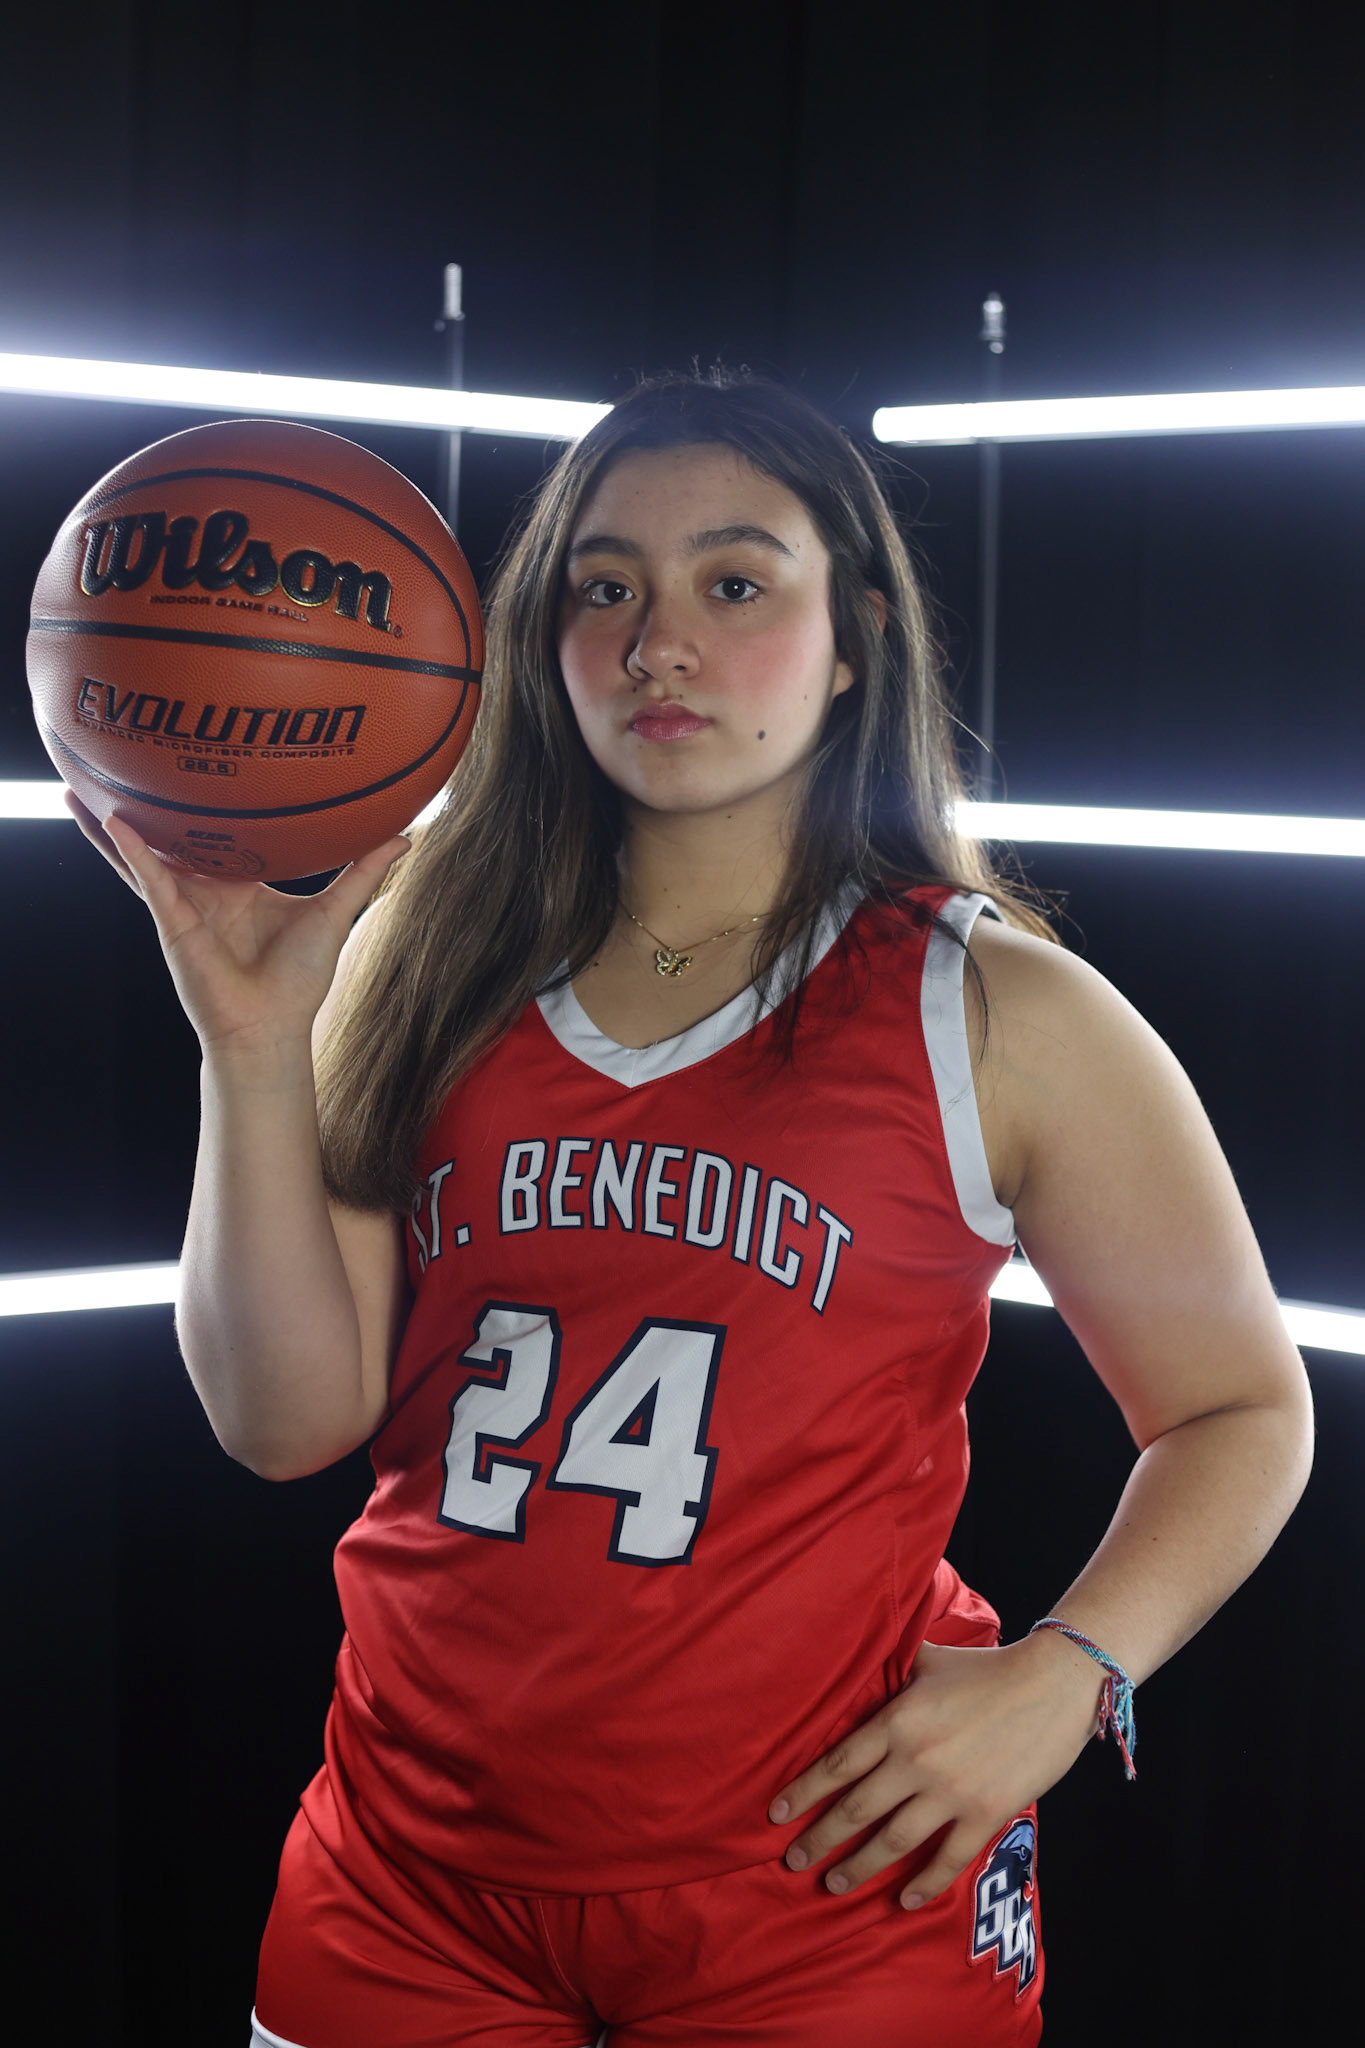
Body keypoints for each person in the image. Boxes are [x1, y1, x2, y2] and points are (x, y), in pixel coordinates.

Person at [70, 371, 1313, 2048]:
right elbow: (284, 1423)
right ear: (536, 633)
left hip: (823, 1887)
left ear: (855, 631)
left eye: (734, 584)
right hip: (413, 1870)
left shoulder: (997, 1011)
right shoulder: (424, 961)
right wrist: (249, 1042)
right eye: (604, 587)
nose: (659, 642)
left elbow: (1240, 1405)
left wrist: (1069, 1672)